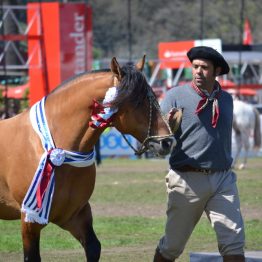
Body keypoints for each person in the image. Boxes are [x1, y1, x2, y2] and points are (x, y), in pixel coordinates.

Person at [154, 46, 245, 262]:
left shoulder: (227, 100)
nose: (198, 71)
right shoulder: (174, 96)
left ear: (216, 71)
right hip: (186, 180)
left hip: (223, 179)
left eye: (204, 67)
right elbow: (159, 146)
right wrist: (166, 135)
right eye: (195, 67)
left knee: (234, 244)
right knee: (171, 247)